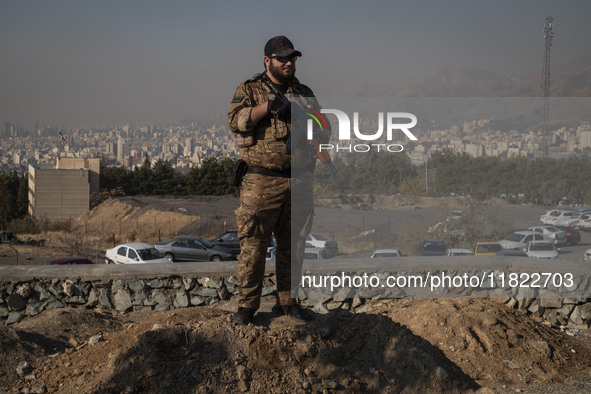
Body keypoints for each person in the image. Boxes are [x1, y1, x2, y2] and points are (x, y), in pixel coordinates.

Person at [227, 35, 320, 325]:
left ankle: (288, 303)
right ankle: (246, 306)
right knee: (253, 245)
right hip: (261, 181)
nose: (289, 63)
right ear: (268, 61)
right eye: (283, 58)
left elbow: (322, 126)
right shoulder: (250, 88)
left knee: (294, 245)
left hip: (298, 180)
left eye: (292, 58)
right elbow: (235, 119)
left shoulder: (303, 92)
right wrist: (267, 108)